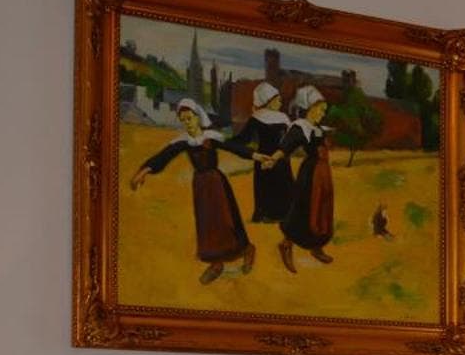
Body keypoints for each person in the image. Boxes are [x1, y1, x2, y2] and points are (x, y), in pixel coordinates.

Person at [128, 99, 254, 284]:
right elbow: (163, 157)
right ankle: (216, 263)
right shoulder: (183, 142)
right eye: (183, 120)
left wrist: (255, 155)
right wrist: (143, 171)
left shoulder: (211, 137)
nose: (187, 122)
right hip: (201, 186)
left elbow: (234, 148)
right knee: (207, 224)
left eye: (189, 118)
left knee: (228, 219)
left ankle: (247, 249)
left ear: (198, 117)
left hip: (217, 183)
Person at [277, 85, 336, 271]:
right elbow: (285, 147)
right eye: (320, 109)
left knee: (321, 210)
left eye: (324, 110)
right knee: (302, 210)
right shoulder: (300, 127)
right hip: (310, 175)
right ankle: (286, 245)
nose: (323, 113)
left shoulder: (318, 128)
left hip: (323, 174)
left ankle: (316, 246)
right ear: (309, 107)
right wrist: (273, 158)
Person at [219, 82, 295, 224]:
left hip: (281, 162)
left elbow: (289, 141)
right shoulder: (257, 118)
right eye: (277, 98)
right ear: (268, 100)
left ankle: (285, 215)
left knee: (284, 189)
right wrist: (251, 153)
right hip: (263, 161)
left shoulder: (283, 118)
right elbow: (241, 140)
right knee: (267, 189)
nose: (280, 101)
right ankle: (266, 215)